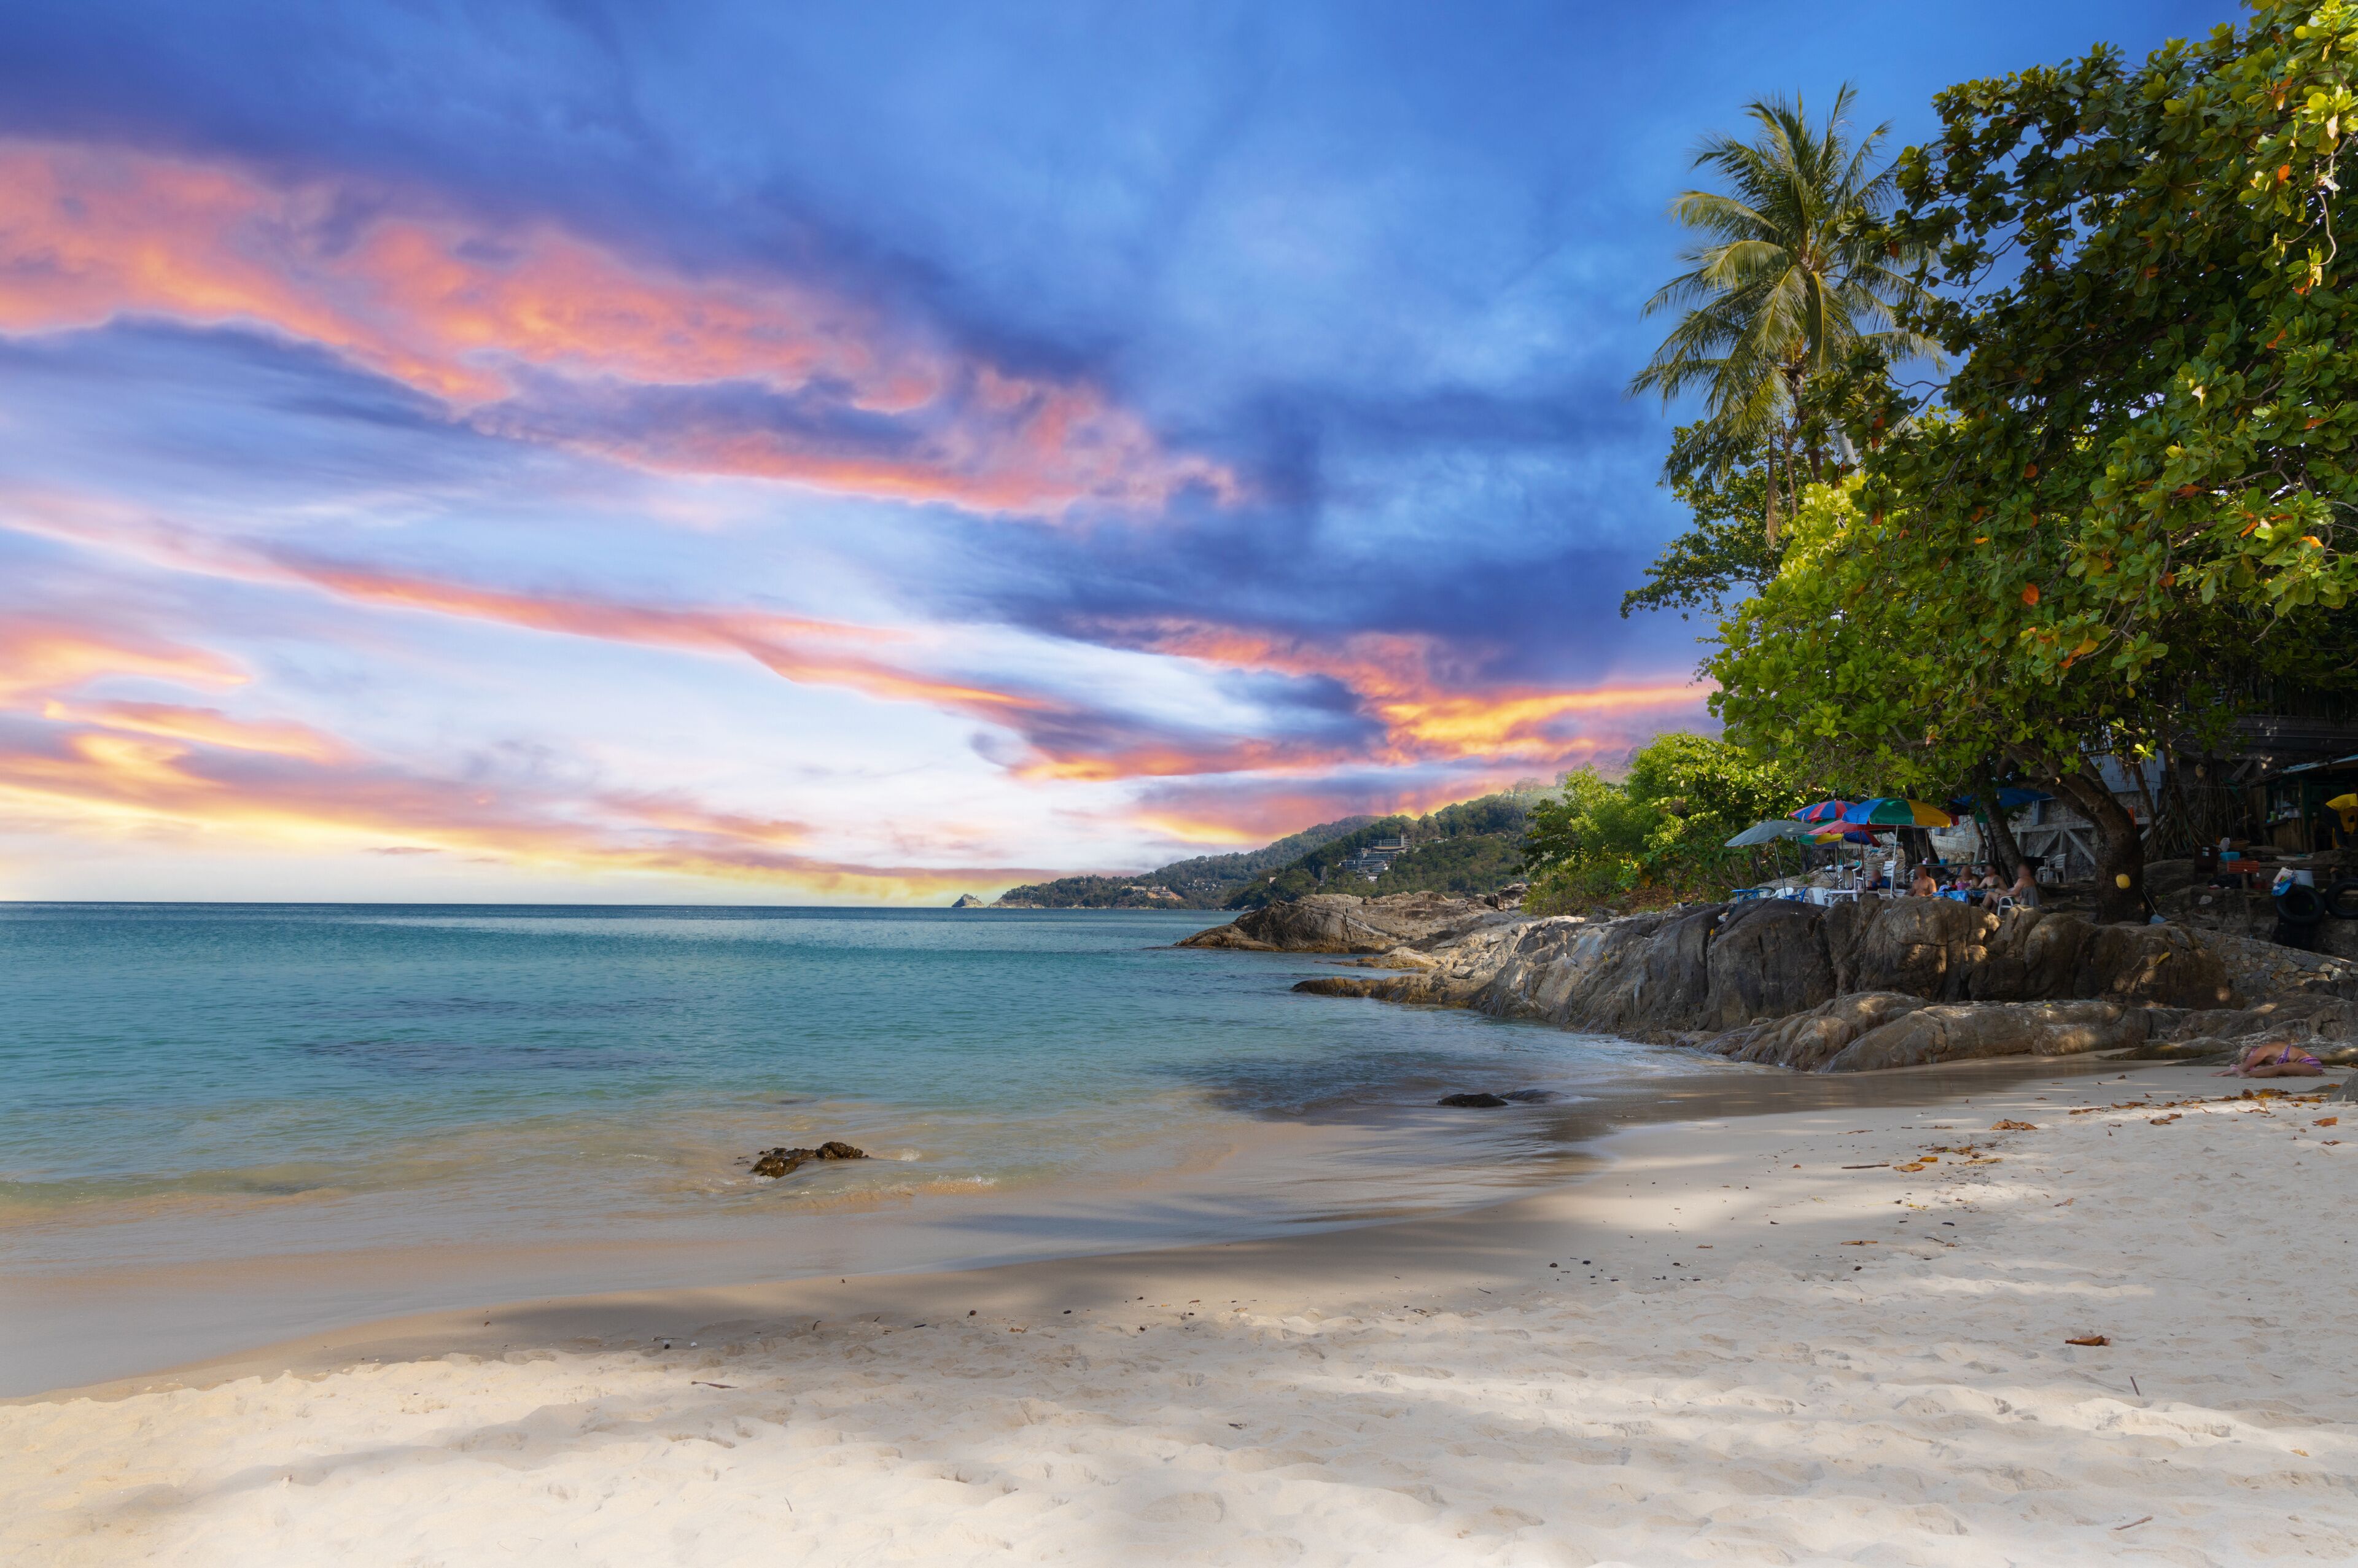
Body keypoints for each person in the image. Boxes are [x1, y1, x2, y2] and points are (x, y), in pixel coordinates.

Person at [2217, 1039, 2325, 1077]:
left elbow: (2245, 1066)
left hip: (2310, 1064)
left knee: (2279, 1068)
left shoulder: (2263, 1050)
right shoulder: (2267, 1055)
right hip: (2309, 1065)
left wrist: (2223, 1073)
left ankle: (2247, 1076)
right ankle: (2246, 1074)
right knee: (2276, 1068)